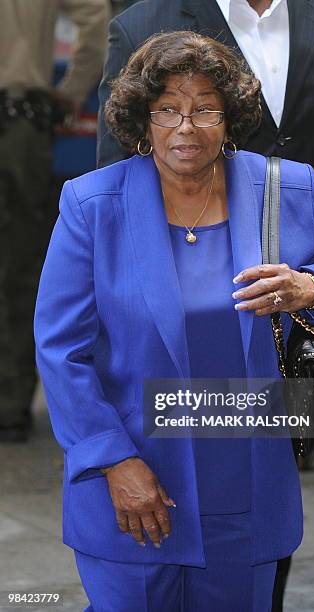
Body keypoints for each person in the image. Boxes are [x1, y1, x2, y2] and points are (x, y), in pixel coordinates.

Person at [34, 31, 314, 611]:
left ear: (231, 115)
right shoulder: (92, 204)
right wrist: (112, 460)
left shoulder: (286, 188)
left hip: (246, 484)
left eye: (204, 109)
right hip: (134, 483)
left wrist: (310, 286)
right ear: (143, 118)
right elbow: (60, 349)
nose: (186, 128)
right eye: (167, 109)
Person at [0, 0, 110, 442]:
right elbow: (95, 18)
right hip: (18, 121)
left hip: (16, 122)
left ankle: (10, 401)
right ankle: (9, 404)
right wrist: (71, 88)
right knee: (18, 263)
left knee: (19, 262)